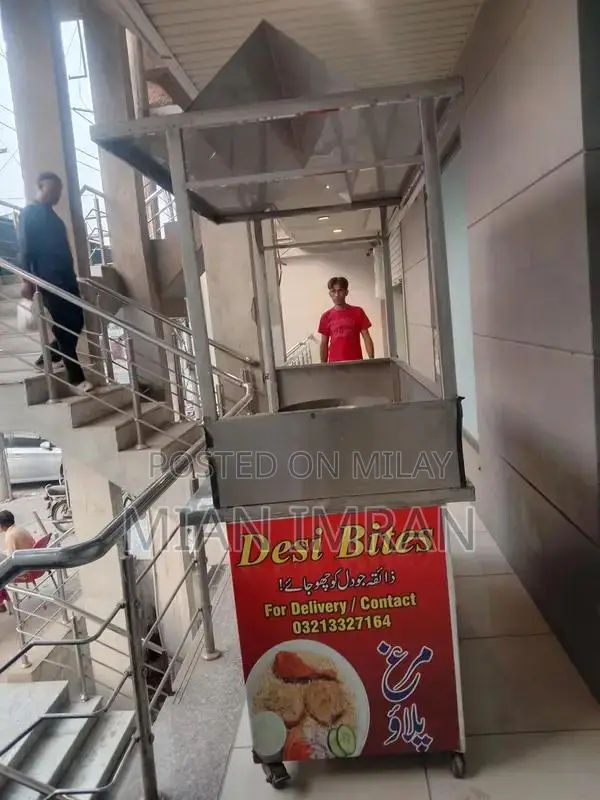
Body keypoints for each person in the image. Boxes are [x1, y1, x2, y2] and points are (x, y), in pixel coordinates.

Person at [19, 172, 93, 392]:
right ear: (40, 187)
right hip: (48, 279)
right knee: (63, 325)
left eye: (58, 191)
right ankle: (76, 378)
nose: (56, 195)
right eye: (52, 190)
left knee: (77, 320)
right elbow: (25, 248)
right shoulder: (30, 213)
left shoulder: (52, 216)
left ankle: (49, 356)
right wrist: (26, 280)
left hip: (66, 278)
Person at [318, 276, 375, 364]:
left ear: (346, 292)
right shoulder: (326, 316)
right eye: (333, 291)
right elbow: (324, 344)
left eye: (340, 291)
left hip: (356, 363)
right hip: (334, 365)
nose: (337, 295)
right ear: (330, 294)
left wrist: (372, 360)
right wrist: (323, 366)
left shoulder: (358, 312)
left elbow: (366, 337)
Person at [0, 509, 36, 613]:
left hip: (24, 569)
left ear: (2, 525)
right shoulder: (19, 529)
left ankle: (2, 603)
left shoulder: (10, 535)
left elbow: (11, 560)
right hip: (33, 562)